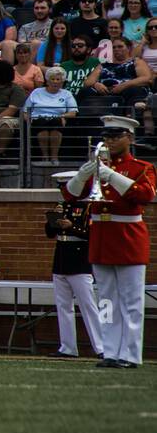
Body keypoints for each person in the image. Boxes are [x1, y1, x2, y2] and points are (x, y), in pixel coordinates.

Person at [61, 115, 156, 368]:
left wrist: (111, 176)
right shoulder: (96, 166)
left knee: (131, 300)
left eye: (116, 136)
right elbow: (70, 195)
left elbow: (145, 195)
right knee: (106, 300)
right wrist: (82, 176)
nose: (110, 141)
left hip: (127, 237)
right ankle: (110, 351)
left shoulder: (141, 167)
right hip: (101, 236)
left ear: (130, 138)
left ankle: (130, 354)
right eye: (107, 137)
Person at [45, 173, 104, 360]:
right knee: (63, 306)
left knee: (88, 306)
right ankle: (68, 346)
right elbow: (49, 233)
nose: (63, 192)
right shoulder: (63, 206)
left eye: (66, 187)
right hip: (61, 258)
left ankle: (101, 347)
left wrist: (71, 226)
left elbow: (91, 234)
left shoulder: (88, 207)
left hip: (79, 260)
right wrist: (53, 220)